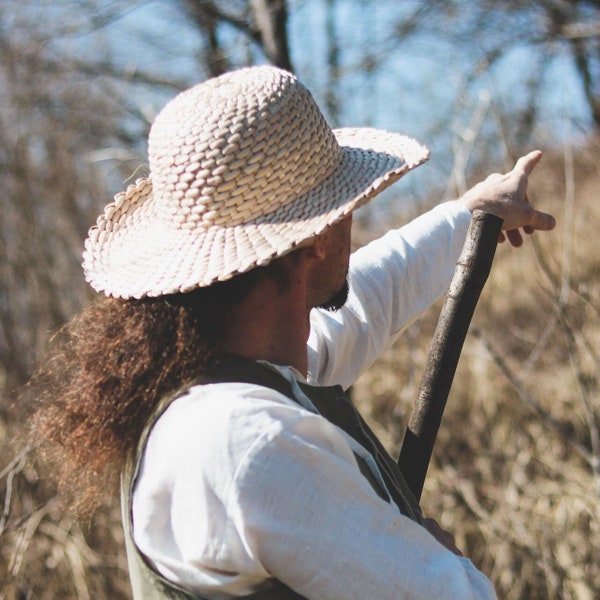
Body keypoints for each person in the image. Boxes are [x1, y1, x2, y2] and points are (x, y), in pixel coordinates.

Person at [30, 65, 555, 599]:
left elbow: (358, 310)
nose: (355, 216)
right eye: (345, 203)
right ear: (319, 240)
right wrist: (444, 558)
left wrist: (473, 215)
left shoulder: (220, 383)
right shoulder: (247, 441)